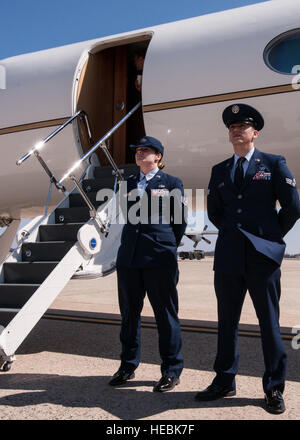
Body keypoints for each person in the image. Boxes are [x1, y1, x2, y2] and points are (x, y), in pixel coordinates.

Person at [195, 103, 300, 414]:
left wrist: (268, 238)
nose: (237, 130)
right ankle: (224, 380)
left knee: (269, 323)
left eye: (243, 126)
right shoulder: (219, 170)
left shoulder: (273, 163)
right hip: (228, 256)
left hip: (261, 258)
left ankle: (273, 388)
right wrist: (232, 233)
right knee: (226, 322)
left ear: (256, 133)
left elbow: (293, 207)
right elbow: (215, 212)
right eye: (232, 127)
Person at [109, 136, 187, 392]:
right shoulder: (127, 183)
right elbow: (127, 217)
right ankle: (127, 366)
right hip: (129, 258)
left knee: (165, 315)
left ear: (158, 156)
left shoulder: (172, 182)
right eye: (137, 150)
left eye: (146, 150)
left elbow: (179, 223)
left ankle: (171, 370)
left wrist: (164, 245)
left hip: (159, 258)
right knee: (129, 316)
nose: (140, 153)